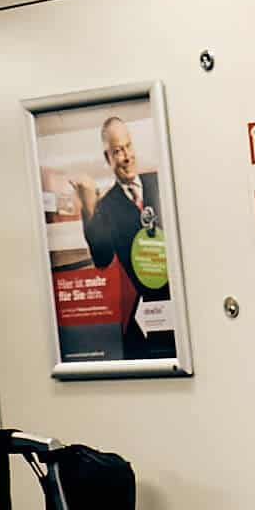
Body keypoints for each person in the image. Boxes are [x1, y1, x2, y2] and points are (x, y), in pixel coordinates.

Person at [73, 116, 173, 360]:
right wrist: (88, 208)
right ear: (108, 158)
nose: (127, 156)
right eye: (118, 151)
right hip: (148, 318)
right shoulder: (106, 207)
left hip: (180, 305)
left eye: (128, 146)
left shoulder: (161, 182)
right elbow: (102, 259)